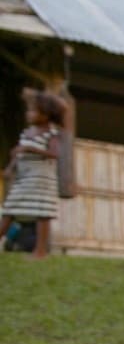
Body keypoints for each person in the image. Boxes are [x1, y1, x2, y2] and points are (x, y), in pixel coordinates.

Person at [1, 89, 66, 259]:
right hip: (24, 179)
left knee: (41, 214)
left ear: (46, 114)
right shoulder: (26, 133)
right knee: (9, 209)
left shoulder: (50, 134)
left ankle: (40, 251)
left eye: (33, 110)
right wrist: (10, 168)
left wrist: (30, 148)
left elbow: (55, 154)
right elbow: (19, 154)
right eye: (28, 110)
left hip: (42, 180)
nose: (29, 114)